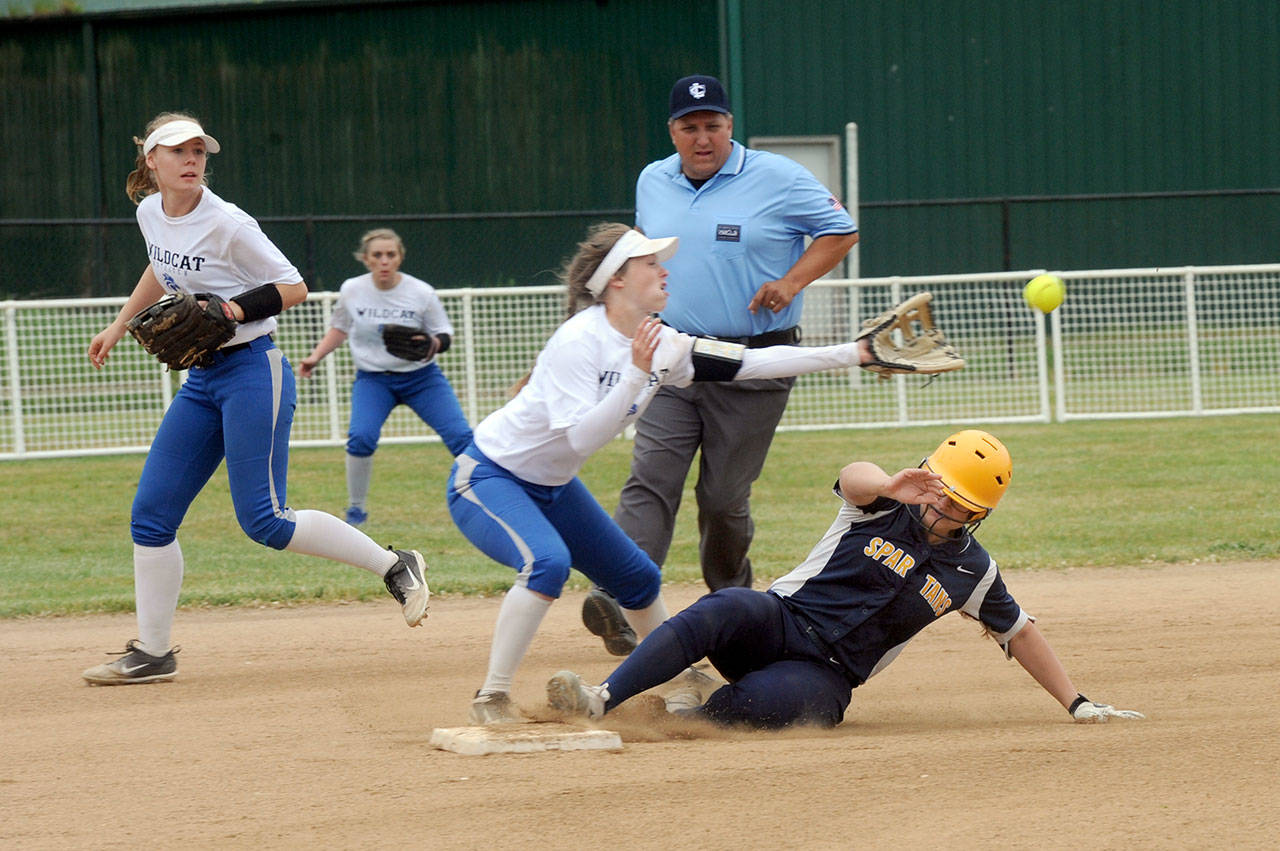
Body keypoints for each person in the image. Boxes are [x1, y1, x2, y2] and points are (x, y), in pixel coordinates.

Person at [449, 222, 876, 724]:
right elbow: (581, 438)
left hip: (552, 487)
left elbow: (751, 362)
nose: (664, 269)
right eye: (649, 263)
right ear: (617, 282)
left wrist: (854, 354)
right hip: (487, 478)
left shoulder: (663, 342)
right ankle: (491, 697)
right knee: (547, 564)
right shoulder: (580, 341)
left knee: (636, 577)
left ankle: (679, 675)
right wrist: (636, 372)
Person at [82, 113, 429, 685]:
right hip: (202, 377)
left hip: (251, 371)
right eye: (179, 151)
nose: (192, 159)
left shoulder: (228, 222)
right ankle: (153, 652)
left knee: (265, 521)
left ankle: (395, 564)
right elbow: (160, 264)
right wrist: (120, 324)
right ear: (153, 162)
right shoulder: (150, 211)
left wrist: (233, 309)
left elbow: (294, 285)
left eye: (199, 150)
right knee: (151, 517)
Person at [549, 430, 1146, 729]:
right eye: (940, 488)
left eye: (959, 503)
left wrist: (1079, 704)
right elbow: (852, 474)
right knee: (724, 605)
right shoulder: (883, 505)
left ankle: (687, 712)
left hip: (825, 675)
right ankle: (602, 698)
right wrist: (890, 484)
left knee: (768, 705)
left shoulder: (974, 572)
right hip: (775, 622)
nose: (941, 506)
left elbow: (1020, 632)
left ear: (980, 514)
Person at [585, 73, 860, 656]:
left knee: (722, 497)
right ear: (673, 131)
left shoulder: (778, 177)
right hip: (674, 353)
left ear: (730, 127)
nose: (702, 137)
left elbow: (840, 231)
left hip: (753, 360)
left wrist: (790, 281)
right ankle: (619, 595)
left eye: (713, 125)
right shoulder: (652, 181)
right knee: (651, 476)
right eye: (690, 127)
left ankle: (733, 604)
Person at [297, 228, 472, 526]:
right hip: (374, 379)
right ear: (365, 259)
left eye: (391, 254)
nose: (384, 261)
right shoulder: (353, 289)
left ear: (400, 257)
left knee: (461, 437)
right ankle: (356, 511)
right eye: (377, 255)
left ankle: (483, 496)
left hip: (421, 378)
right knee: (361, 438)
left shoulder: (421, 292)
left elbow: (445, 334)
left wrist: (433, 344)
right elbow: (339, 328)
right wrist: (315, 357)